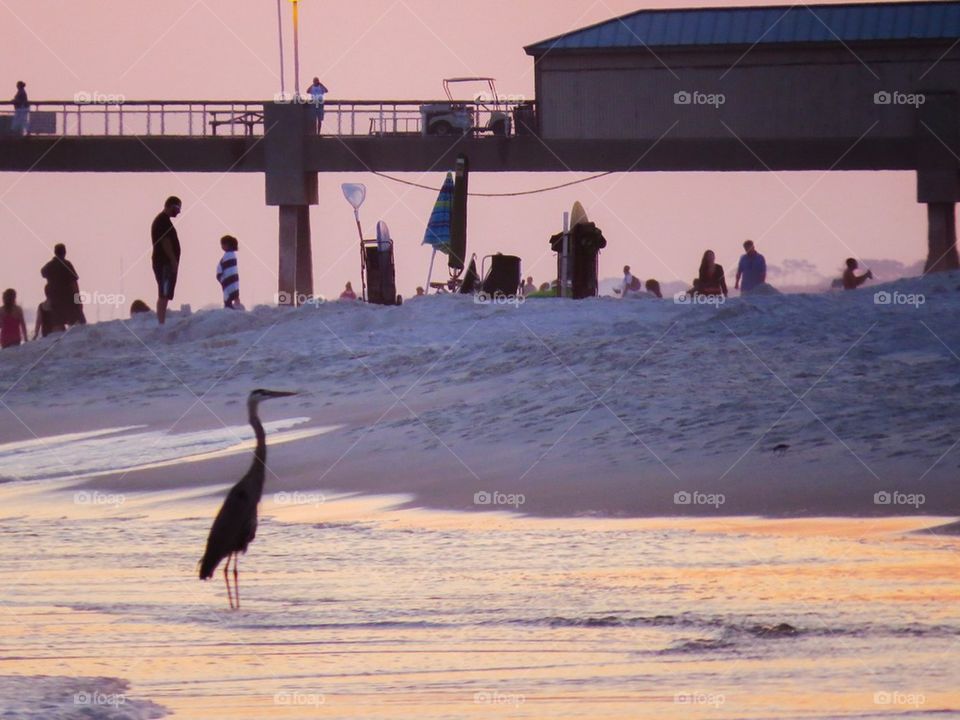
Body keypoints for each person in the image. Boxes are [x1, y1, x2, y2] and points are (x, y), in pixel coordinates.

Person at [151, 196, 182, 324]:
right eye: (177, 208)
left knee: (165, 292)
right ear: (169, 206)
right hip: (164, 263)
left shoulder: (163, 220)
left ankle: (161, 321)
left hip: (164, 262)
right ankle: (161, 322)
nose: (178, 212)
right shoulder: (163, 221)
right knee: (163, 292)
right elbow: (166, 242)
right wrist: (173, 260)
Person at [40, 243, 86, 329]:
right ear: (64, 252)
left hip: (55, 300)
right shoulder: (67, 264)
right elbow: (74, 284)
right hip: (69, 299)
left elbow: (42, 272)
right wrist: (78, 300)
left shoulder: (49, 265)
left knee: (58, 326)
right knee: (79, 325)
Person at [216, 235, 241, 309]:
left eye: (223, 244)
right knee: (231, 294)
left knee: (229, 294)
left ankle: (232, 307)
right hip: (229, 279)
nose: (222, 246)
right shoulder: (231, 255)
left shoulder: (229, 255)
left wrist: (221, 276)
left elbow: (230, 270)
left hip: (229, 279)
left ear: (228, 245)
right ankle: (233, 306)